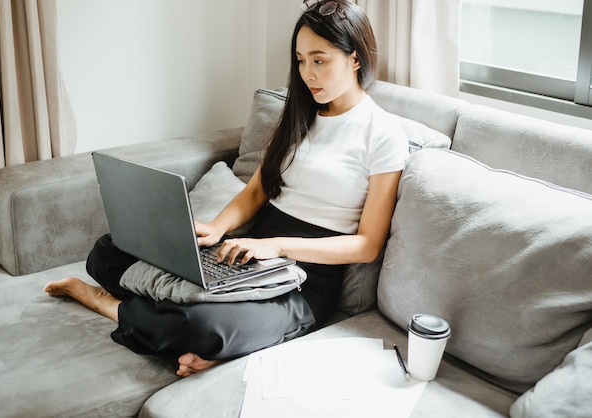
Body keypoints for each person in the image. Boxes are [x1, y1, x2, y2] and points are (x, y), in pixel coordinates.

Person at [44, 0, 409, 378]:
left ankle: (107, 304)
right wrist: (217, 228)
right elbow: (256, 192)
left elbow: (367, 245)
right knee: (108, 251)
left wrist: (278, 246)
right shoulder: (299, 114)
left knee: (198, 326)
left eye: (319, 60)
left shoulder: (383, 135)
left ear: (355, 58)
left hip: (303, 283)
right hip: (246, 260)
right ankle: (200, 333)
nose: (307, 74)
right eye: (300, 61)